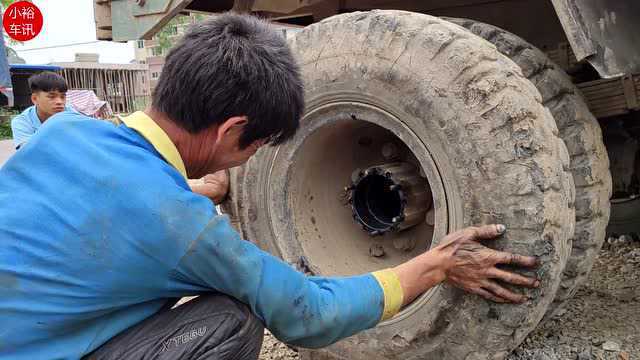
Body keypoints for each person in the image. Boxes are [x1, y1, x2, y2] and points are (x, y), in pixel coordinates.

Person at [0, 14, 540, 360]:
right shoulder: (182, 230)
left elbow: (103, 211)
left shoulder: (65, 132)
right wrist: (435, 265)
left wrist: (194, 191)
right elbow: (307, 312)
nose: (250, 161)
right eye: (253, 149)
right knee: (229, 321)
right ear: (234, 129)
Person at [10, 71, 75, 149]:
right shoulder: (23, 122)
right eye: (51, 96)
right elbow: (28, 152)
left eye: (62, 97)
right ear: (35, 99)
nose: (59, 102)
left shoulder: (72, 115)